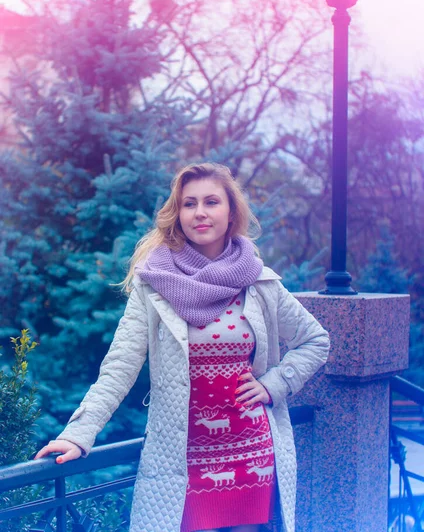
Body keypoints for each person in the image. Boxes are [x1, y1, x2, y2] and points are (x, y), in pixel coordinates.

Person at [35, 162, 330, 532]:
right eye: (189, 204)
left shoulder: (259, 282)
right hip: (181, 460)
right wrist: (78, 434)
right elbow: (120, 366)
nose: (200, 212)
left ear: (231, 212)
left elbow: (315, 340)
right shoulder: (154, 284)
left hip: (251, 448)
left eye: (211, 202)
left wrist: (274, 384)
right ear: (178, 214)